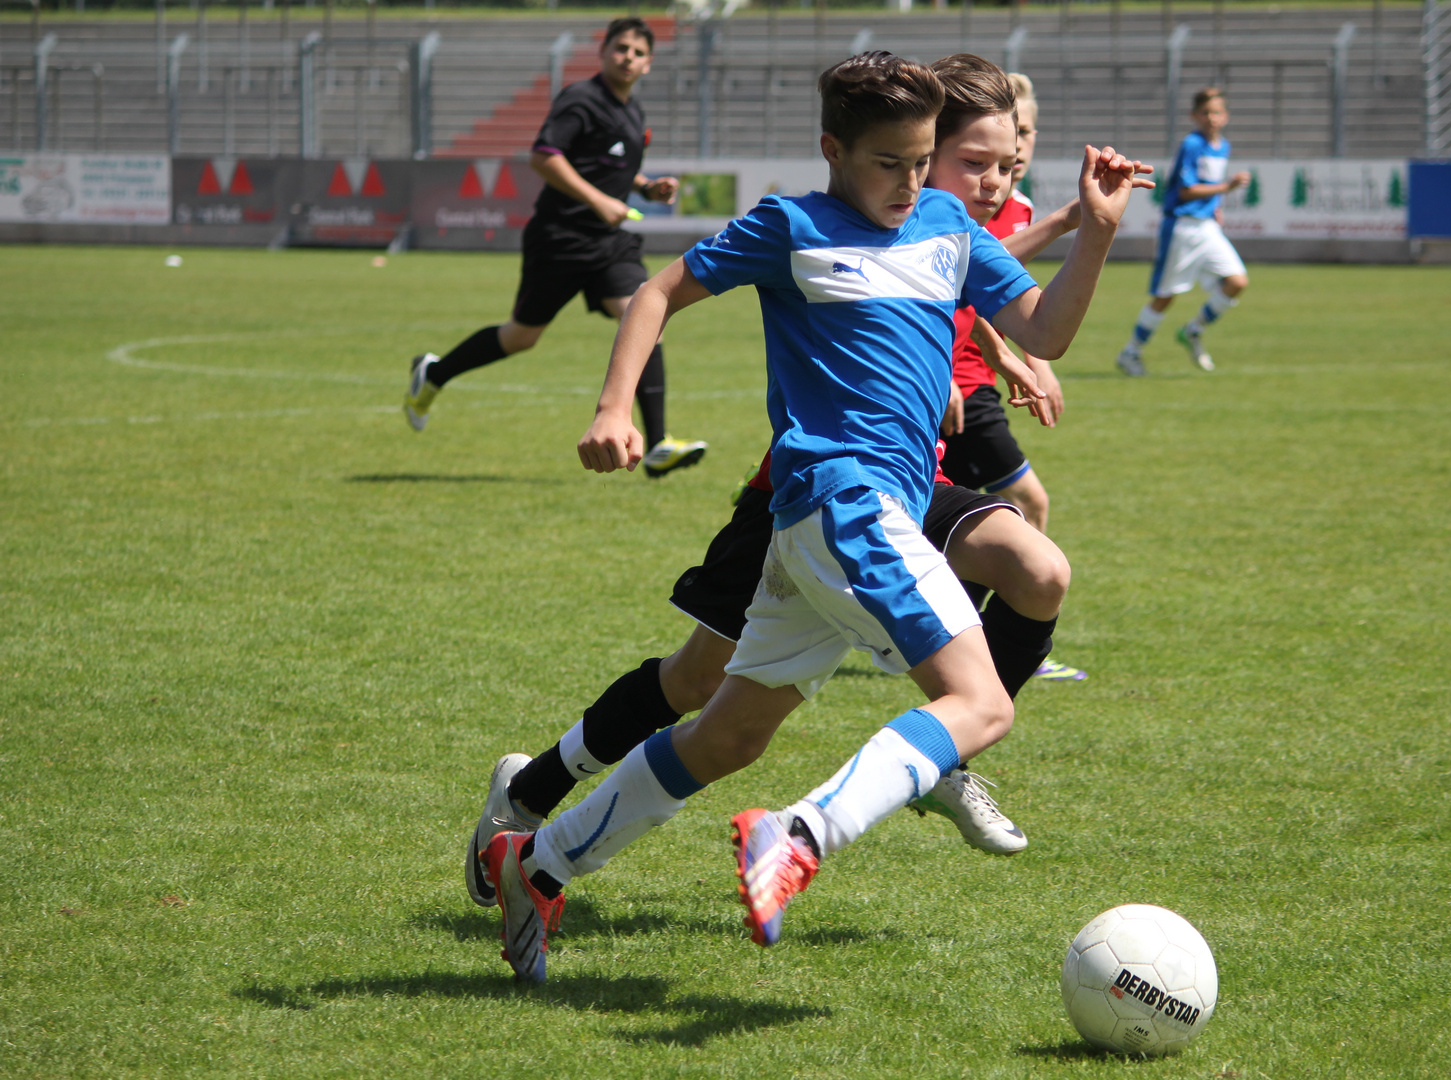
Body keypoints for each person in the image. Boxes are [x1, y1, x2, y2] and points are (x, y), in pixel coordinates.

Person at [480, 51, 1148, 982]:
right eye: (889, 164)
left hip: (843, 525)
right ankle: (799, 835)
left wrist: (1100, 234)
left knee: (726, 736)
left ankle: (536, 864)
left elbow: (1044, 333)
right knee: (980, 700)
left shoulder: (949, 223)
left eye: (923, 161)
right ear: (834, 148)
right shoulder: (790, 227)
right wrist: (613, 407)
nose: (910, 183)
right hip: (842, 501)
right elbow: (658, 290)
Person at [401, 16, 707, 478]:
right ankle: (435, 373)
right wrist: (600, 200)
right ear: (603, 52)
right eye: (620, 48)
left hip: (609, 243)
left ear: (648, 64)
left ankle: (659, 443)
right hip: (560, 239)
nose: (628, 57)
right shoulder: (581, 99)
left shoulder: (632, 112)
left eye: (638, 52)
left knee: (645, 315)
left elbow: (612, 169)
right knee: (522, 336)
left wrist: (646, 189)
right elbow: (544, 156)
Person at [928, 59, 1086, 684]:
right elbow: (953, 279)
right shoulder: (910, 225)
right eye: (979, 158)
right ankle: (972, 638)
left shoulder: (997, 207)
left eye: (1017, 150)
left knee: (729, 700)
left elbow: (981, 293)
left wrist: (1013, 359)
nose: (996, 176)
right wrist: (943, 371)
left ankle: (971, 643)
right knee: (1026, 502)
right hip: (945, 397)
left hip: (971, 384)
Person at [1116, 87, 1251, 377]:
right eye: (1205, 112)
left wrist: (1216, 205)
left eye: (1216, 112)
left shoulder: (1222, 145)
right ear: (1194, 116)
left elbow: (1206, 186)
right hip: (1183, 227)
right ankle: (1131, 352)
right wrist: (1225, 188)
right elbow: (1187, 190)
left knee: (1237, 281)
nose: (1211, 118)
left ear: (1225, 116)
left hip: (1208, 227)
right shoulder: (1191, 144)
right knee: (1166, 296)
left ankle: (1193, 329)